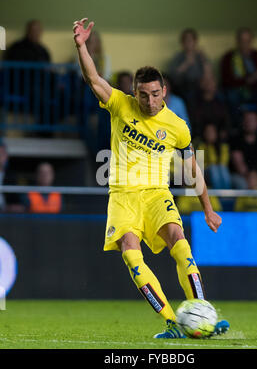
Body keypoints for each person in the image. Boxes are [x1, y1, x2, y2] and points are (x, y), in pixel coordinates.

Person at [73, 17, 229, 339]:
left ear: (164, 92)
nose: (149, 102)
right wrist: (81, 46)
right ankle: (172, 323)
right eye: (143, 95)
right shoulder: (120, 105)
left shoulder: (177, 127)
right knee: (132, 253)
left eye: (155, 94)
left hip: (158, 194)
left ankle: (203, 313)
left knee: (179, 240)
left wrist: (208, 208)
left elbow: (192, 168)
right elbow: (92, 78)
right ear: (134, 93)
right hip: (122, 197)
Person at [220, 27, 257, 123]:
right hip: (237, 90)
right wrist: (247, 80)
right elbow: (226, 80)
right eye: (242, 41)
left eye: (248, 41)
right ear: (237, 41)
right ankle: (236, 126)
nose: (245, 44)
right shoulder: (229, 57)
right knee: (231, 96)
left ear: (251, 41)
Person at [168, 28, 210, 115]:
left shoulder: (201, 57)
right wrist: (186, 63)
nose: (189, 43)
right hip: (183, 87)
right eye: (186, 40)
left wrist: (204, 62)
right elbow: (172, 77)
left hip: (200, 86)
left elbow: (208, 76)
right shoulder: (178, 57)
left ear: (195, 42)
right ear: (182, 43)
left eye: (191, 40)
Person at [196, 124, 231, 190]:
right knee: (213, 169)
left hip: (220, 171)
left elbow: (224, 162)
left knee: (222, 168)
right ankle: (218, 194)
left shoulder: (223, 146)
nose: (210, 134)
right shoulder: (201, 146)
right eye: (208, 132)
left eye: (212, 132)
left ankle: (226, 194)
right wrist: (209, 146)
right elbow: (200, 166)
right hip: (206, 172)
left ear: (216, 133)